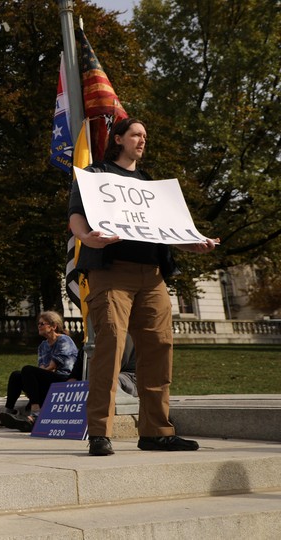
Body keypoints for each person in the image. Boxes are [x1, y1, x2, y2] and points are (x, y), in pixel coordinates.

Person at [68, 117, 218, 456]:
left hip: (152, 276)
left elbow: (168, 229)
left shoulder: (150, 184)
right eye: (136, 134)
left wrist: (192, 243)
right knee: (111, 350)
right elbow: (76, 214)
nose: (142, 140)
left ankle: (156, 431)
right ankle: (99, 433)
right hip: (111, 273)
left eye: (145, 136)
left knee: (159, 349)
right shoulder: (95, 176)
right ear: (118, 139)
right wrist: (85, 237)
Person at [0, 311, 78, 432]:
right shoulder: (43, 345)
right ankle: (8, 412)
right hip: (49, 377)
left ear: (53, 326)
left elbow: (52, 365)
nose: (39, 326)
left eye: (42, 323)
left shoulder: (64, 340)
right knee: (16, 375)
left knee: (27, 370)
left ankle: (36, 411)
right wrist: (35, 375)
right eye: (38, 324)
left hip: (64, 378)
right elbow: (42, 367)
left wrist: (36, 375)